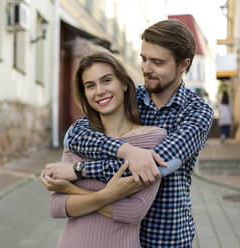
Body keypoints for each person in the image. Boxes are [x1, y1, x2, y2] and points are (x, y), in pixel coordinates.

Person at [45, 19, 214, 247]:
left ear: (183, 65)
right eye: (143, 59)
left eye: (157, 62)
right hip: (117, 234)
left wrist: (79, 171)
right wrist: (125, 150)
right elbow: (74, 135)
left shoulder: (196, 112)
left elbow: (151, 167)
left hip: (165, 237)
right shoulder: (131, 96)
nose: (146, 68)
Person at [40, 52, 181, 248]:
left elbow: (133, 212)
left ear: (124, 84)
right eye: (90, 85)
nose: (99, 91)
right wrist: (108, 195)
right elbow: (57, 206)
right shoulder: (80, 137)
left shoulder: (153, 139)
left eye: (106, 81)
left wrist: (71, 189)